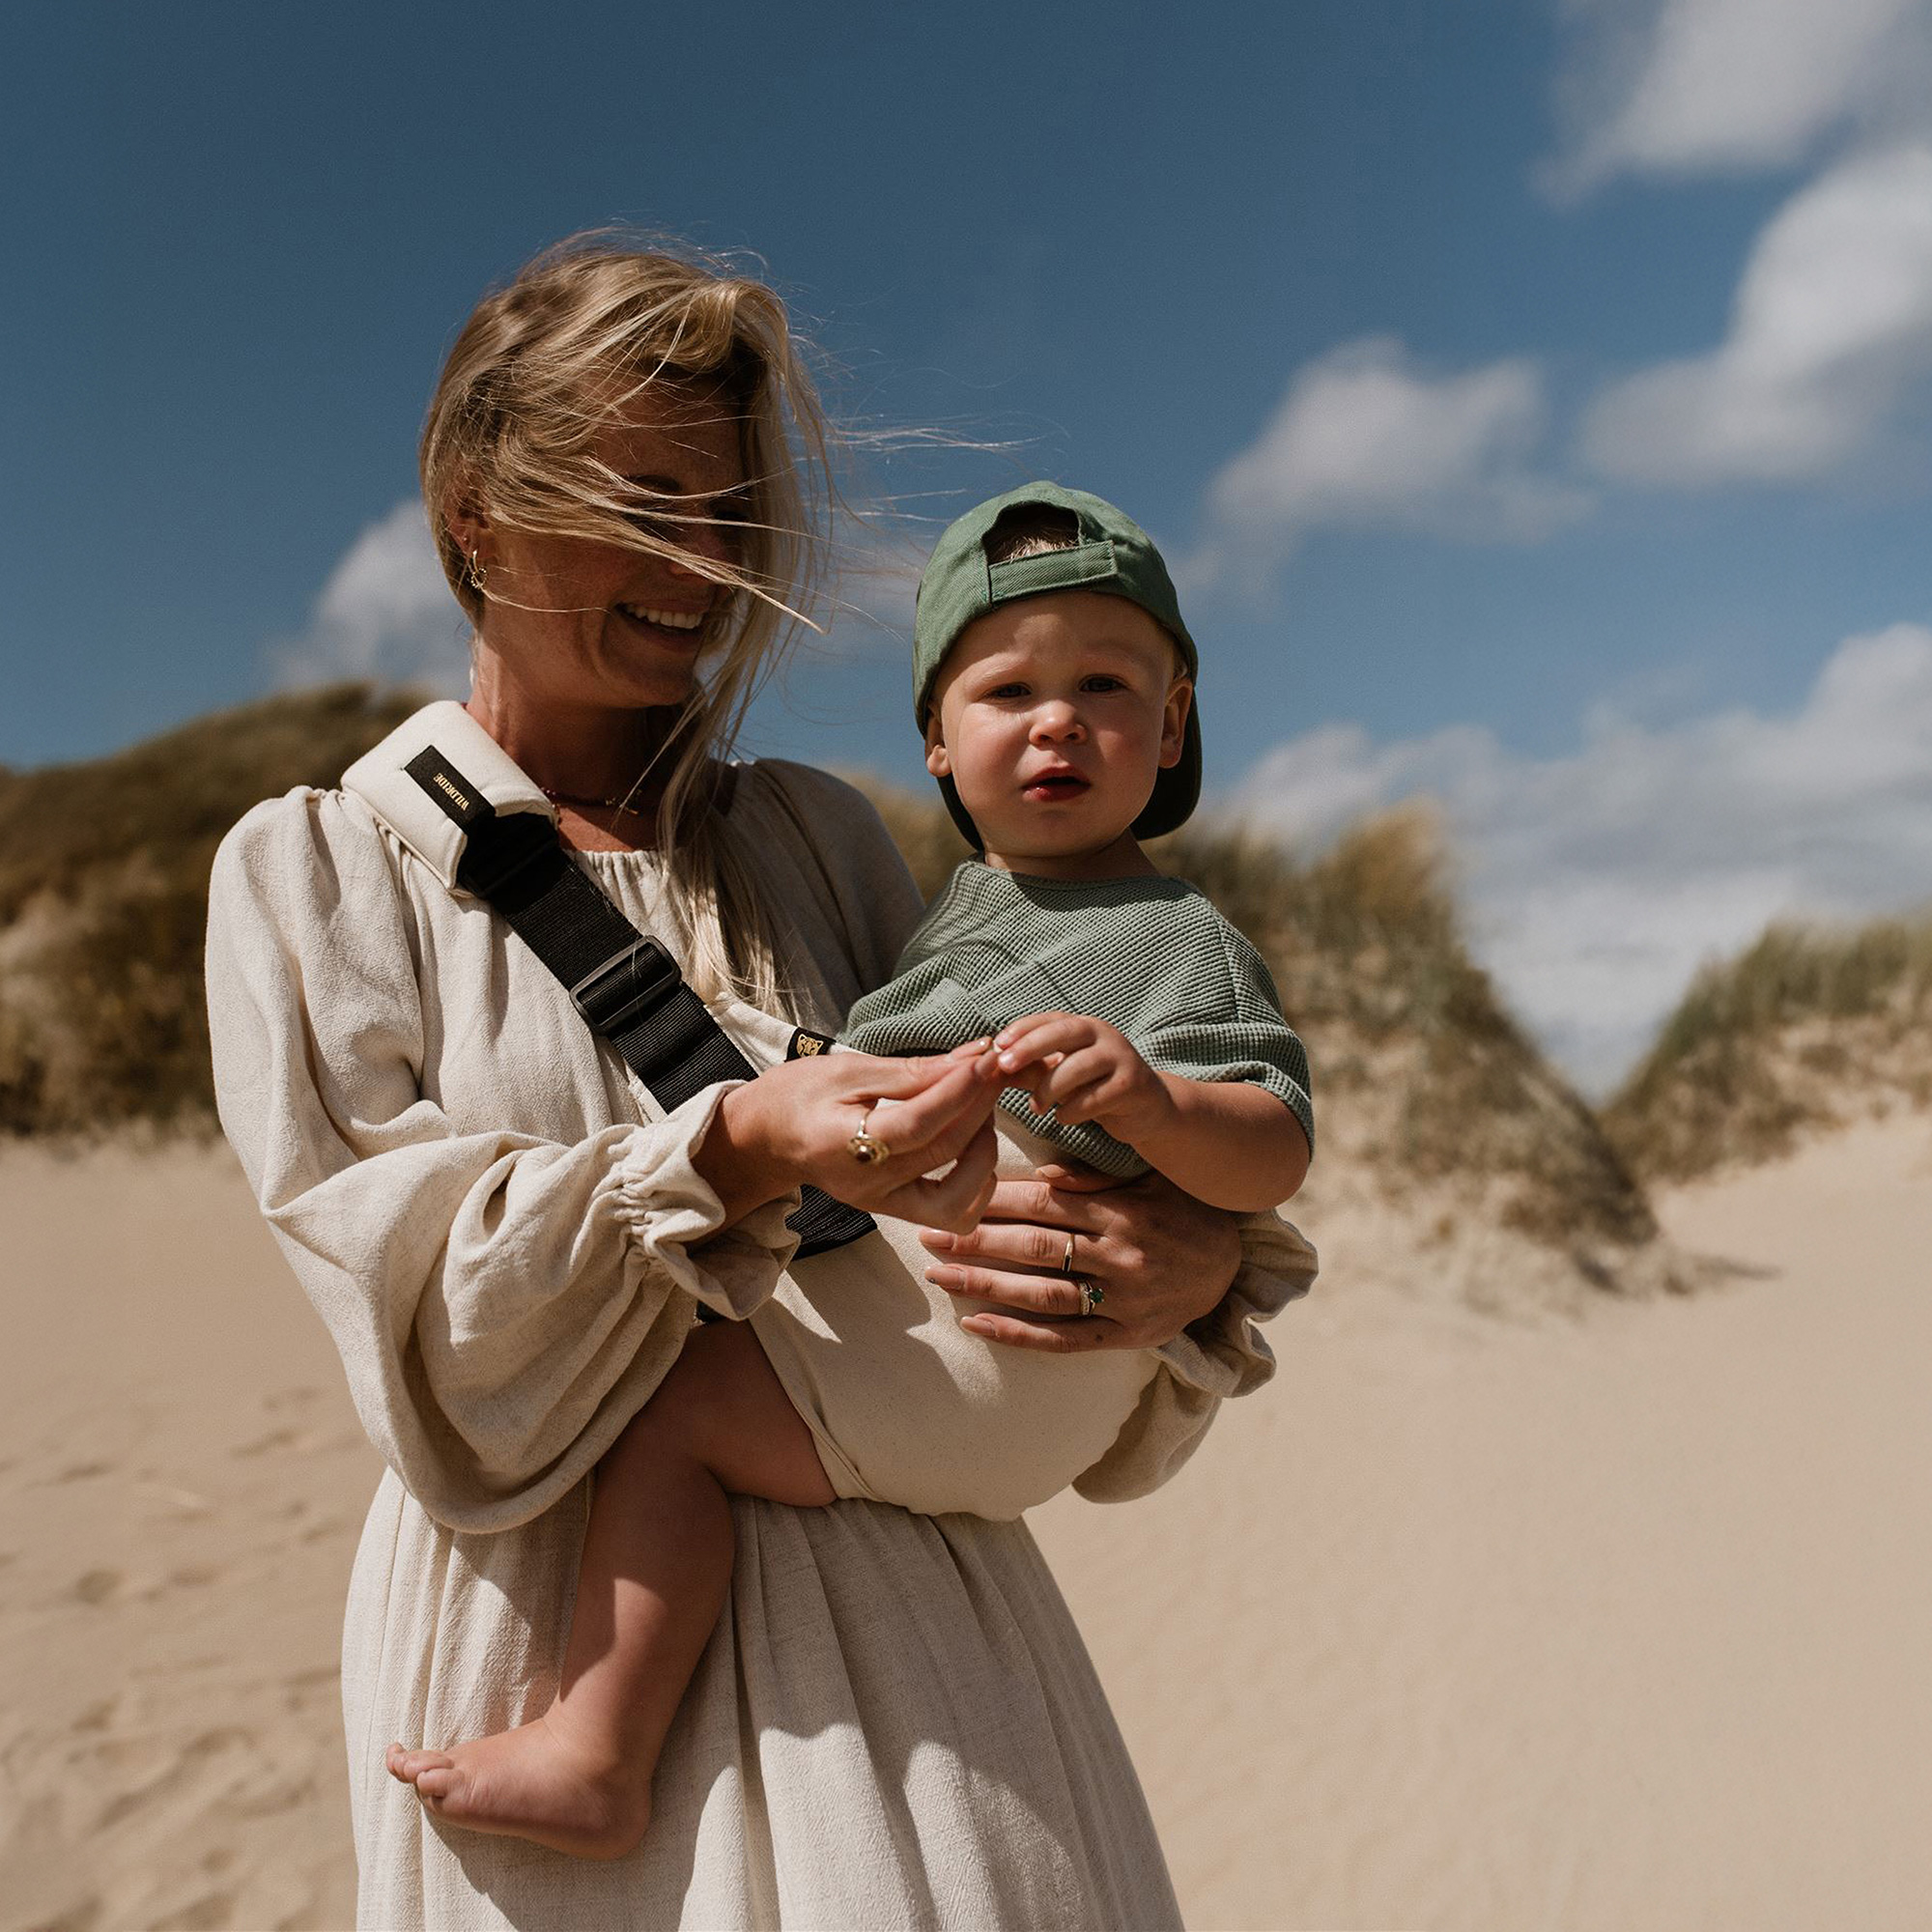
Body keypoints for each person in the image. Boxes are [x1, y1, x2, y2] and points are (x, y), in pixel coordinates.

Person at [206, 235, 1316, 1928]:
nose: (702, 563)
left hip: (926, 1647)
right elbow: (430, 1338)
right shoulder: (317, 875)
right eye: (640, 498)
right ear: (473, 511)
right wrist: (728, 1146)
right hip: (540, 1635)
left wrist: (1182, 1266)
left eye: (729, 512)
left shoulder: (814, 834)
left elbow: (1055, 1159)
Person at [385, 482, 1316, 1861]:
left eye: (1107, 685)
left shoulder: (1181, 934)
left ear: (1171, 723)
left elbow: (1276, 1138)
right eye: (1008, 691)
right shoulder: (958, 915)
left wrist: (1166, 1111)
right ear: (938, 741)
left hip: (1013, 1338)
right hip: (961, 1328)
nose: (1057, 719)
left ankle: (599, 1742)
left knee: (674, 1422)